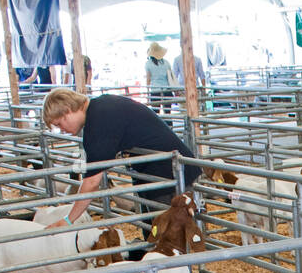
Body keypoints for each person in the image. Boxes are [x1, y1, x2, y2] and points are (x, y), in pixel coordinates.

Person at [42, 88, 202, 257]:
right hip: (154, 171)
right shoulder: (101, 107)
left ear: (67, 111)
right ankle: (154, 271)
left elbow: (92, 182)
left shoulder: (99, 121)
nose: (62, 131)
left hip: (169, 173)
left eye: (59, 124)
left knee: (168, 235)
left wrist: (69, 220)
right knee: (154, 229)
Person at [144, 43, 175, 110]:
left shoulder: (148, 64)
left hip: (155, 90)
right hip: (167, 90)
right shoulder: (166, 63)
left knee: (156, 113)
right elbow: (170, 77)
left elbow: (148, 79)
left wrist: (147, 92)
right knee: (168, 113)